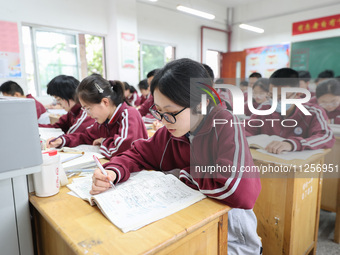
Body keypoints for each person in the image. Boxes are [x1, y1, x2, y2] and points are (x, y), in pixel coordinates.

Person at [90, 58, 262, 254]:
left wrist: (182, 174)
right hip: (190, 223)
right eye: (159, 111)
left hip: (231, 236)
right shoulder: (172, 131)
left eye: (170, 112)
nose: (163, 121)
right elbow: (137, 153)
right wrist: (113, 171)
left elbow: (239, 191)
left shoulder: (225, 123)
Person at [47, 74, 148, 159]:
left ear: (105, 102)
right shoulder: (103, 121)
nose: (87, 114)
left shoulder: (129, 114)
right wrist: (62, 140)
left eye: (88, 108)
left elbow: (122, 148)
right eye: (84, 109)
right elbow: (85, 136)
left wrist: (103, 141)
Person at [245, 68, 335, 154]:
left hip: (298, 166)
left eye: (282, 97)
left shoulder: (313, 112)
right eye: (272, 95)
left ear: (297, 94)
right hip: (266, 161)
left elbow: (326, 137)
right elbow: (248, 128)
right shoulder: (265, 108)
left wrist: (292, 144)